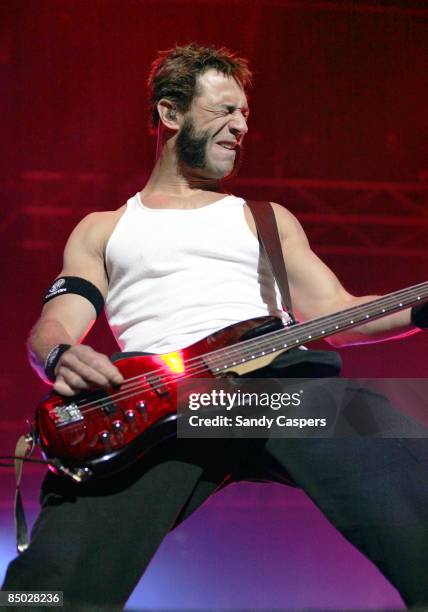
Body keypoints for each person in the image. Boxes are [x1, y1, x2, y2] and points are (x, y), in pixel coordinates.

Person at [2, 44, 428, 611]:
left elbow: (336, 311)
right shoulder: (104, 229)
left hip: (272, 386)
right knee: (50, 583)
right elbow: (57, 319)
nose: (241, 126)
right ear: (170, 114)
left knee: (391, 442)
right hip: (153, 411)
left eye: (246, 114)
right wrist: (58, 353)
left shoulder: (267, 219)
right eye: (225, 110)